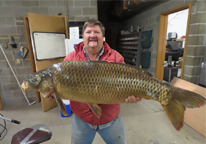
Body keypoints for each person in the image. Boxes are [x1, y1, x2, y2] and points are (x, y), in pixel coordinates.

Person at [64, 19, 142, 144]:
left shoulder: (116, 57)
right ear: (83, 36)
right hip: (82, 121)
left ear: (103, 36)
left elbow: (130, 82)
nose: (92, 35)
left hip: (110, 119)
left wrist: (133, 95)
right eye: (88, 32)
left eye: (97, 32)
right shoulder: (70, 59)